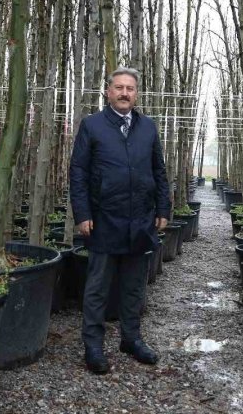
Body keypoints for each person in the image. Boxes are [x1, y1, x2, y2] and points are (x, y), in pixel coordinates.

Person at [69, 67, 171, 374]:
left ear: (136, 94)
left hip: (140, 219)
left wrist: (163, 209)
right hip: (103, 219)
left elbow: (159, 170)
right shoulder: (92, 126)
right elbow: (78, 172)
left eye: (130, 88)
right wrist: (82, 213)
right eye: (119, 87)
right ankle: (93, 346)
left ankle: (131, 338)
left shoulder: (148, 127)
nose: (124, 93)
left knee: (134, 286)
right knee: (97, 288)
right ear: (108, 92)